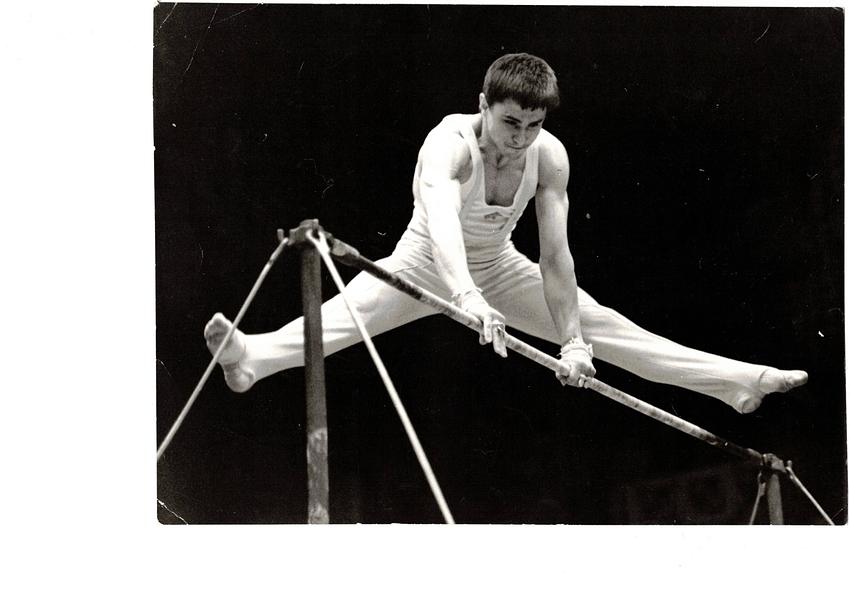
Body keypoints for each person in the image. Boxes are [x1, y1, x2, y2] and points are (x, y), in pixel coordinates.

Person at [204, 53, 807, 414]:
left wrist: (572, 342)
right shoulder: (449, 144)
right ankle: (251, 357)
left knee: (603, 327)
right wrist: (464, 296)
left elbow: (555, 257)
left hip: (499, 267)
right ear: (483, 105)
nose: (520, 138)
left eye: (533, 124)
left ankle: (733, 382)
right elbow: (442, 224)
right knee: (346, 318)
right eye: (510, 122)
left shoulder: (549, 157)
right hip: (425, 261)